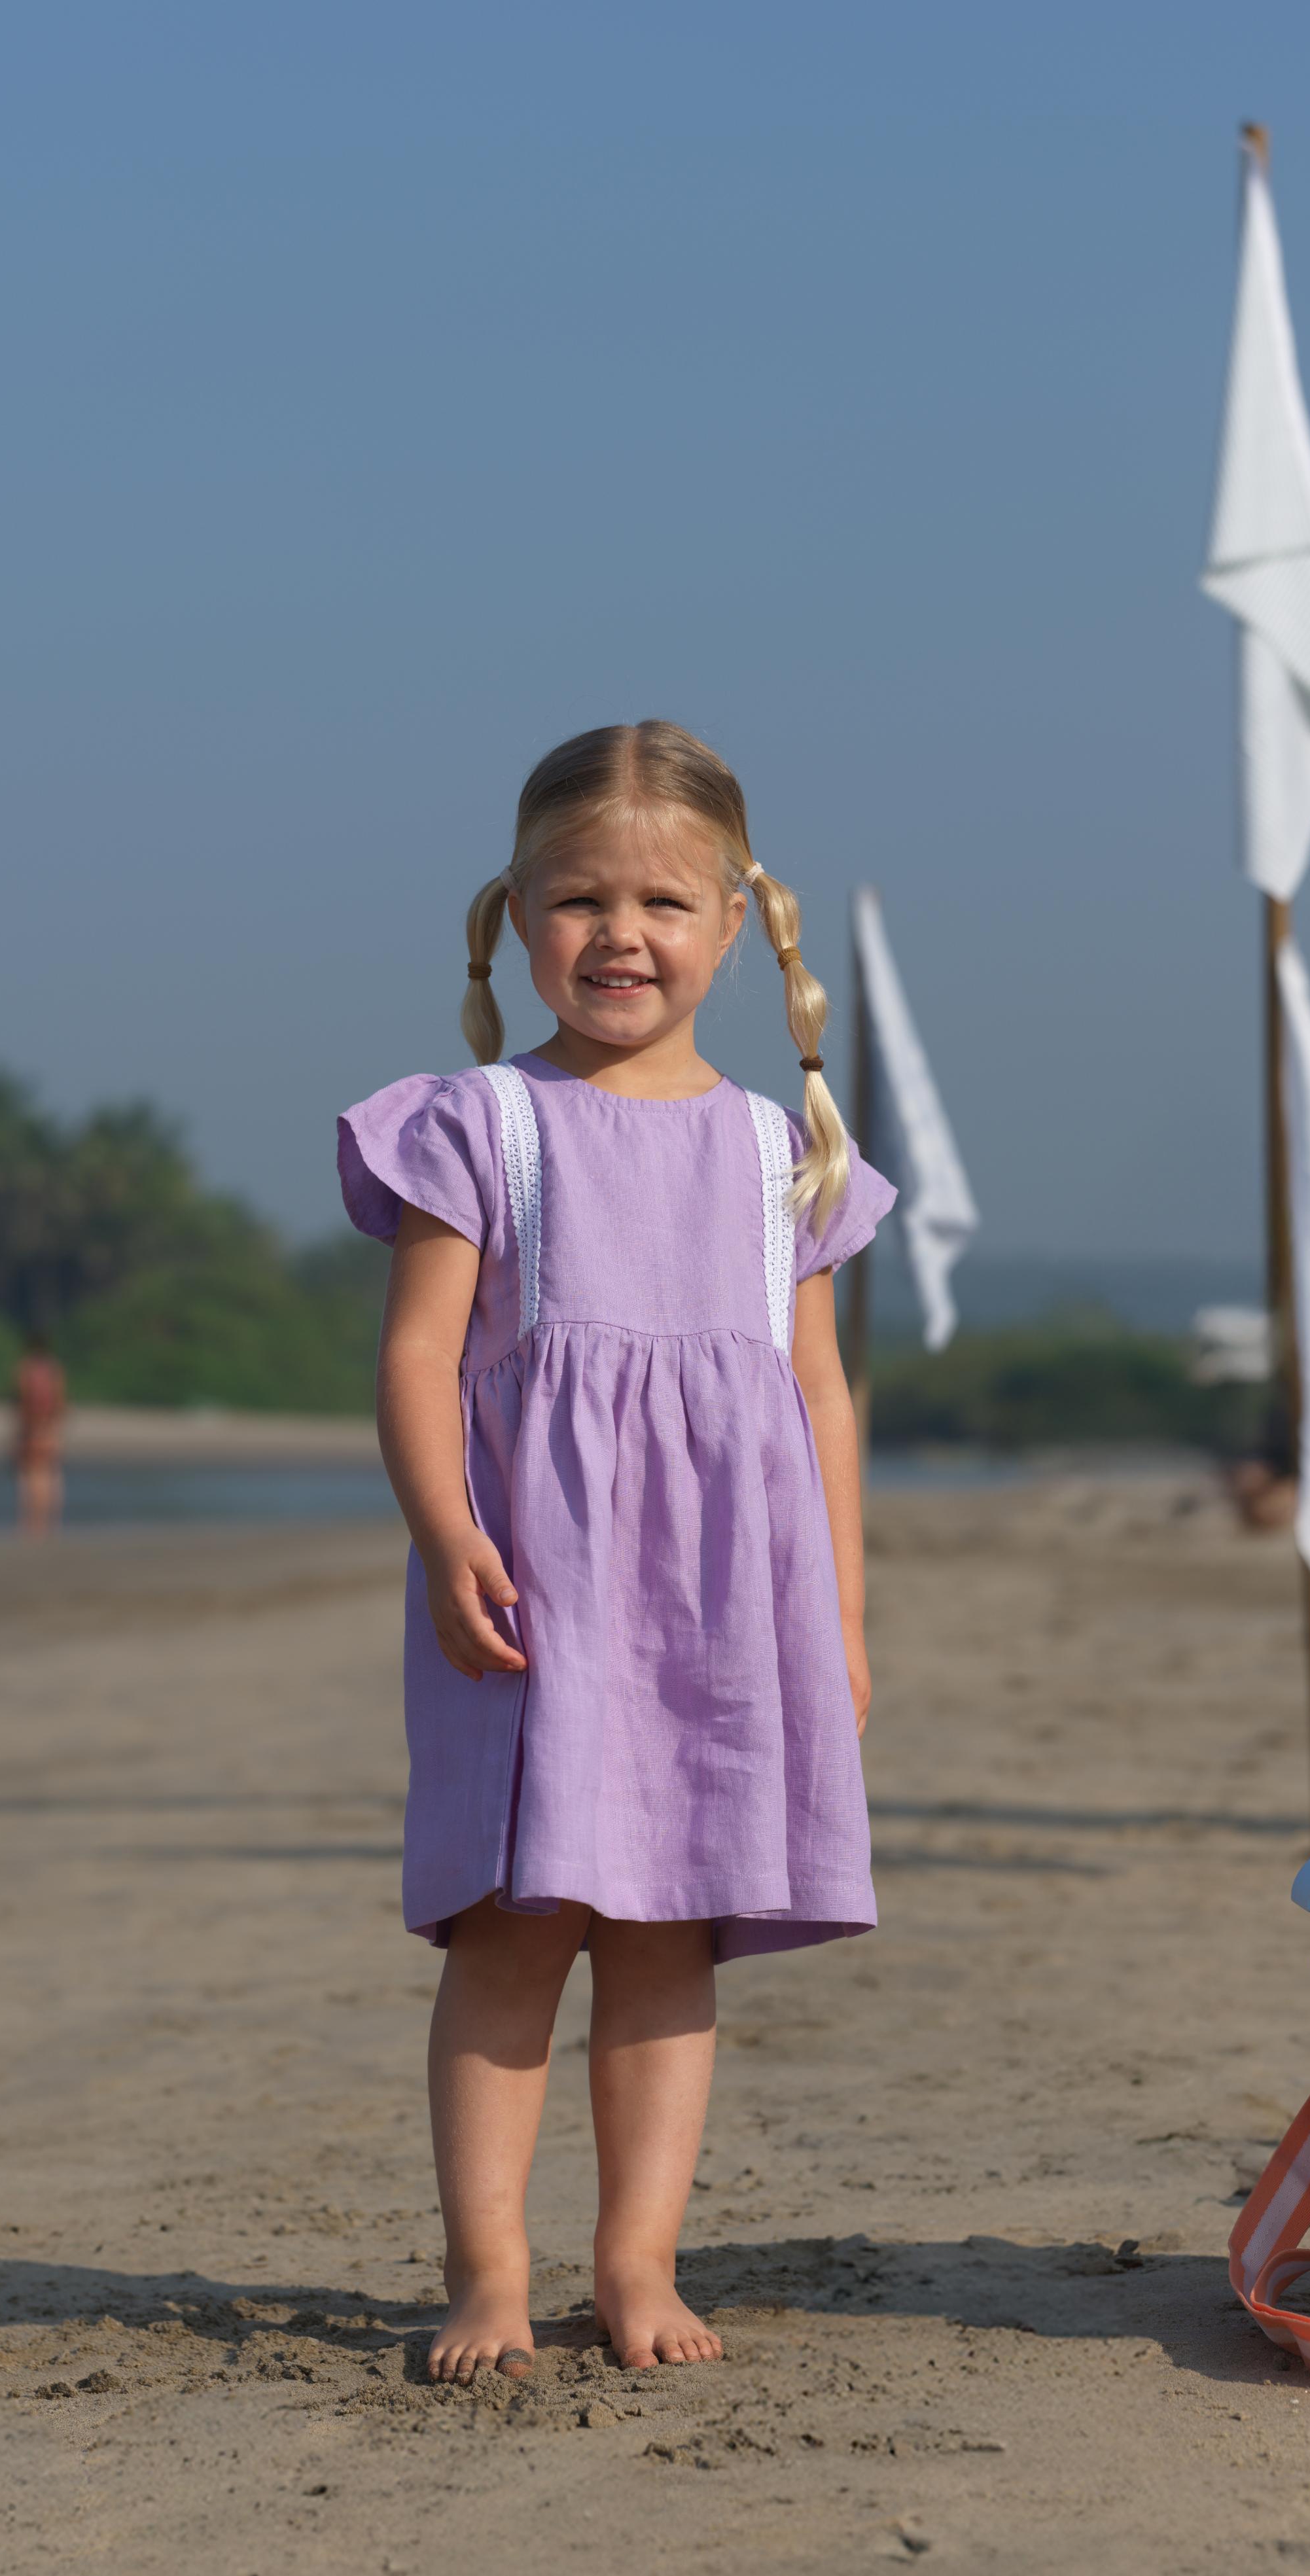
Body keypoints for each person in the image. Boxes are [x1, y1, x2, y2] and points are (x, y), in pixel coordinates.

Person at [337, 722, 894, 2386]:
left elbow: (818, 1395)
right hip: (532, 1593)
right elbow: (418, 1356)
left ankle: (639, 2258)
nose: (621, 934)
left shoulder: (778, 1151)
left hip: (724, 1611)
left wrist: (843, 1613)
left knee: (669, 1934)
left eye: (663, 901)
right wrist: (446, 1529)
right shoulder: (480, 1126)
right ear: (517, 914)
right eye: (581, 899)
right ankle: (487, 2272)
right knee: (515, 1929)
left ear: (738, 921)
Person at [12, 1329, 67, 1536]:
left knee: (31, 1476)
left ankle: (31, 1522)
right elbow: (61, 1399)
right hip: (50, 1427)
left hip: (31, 1427)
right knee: (51, 1475)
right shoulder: (54, 1369)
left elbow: (20, 1398)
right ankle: (50, 1521)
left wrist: (20, 1429)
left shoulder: (26, 1369)